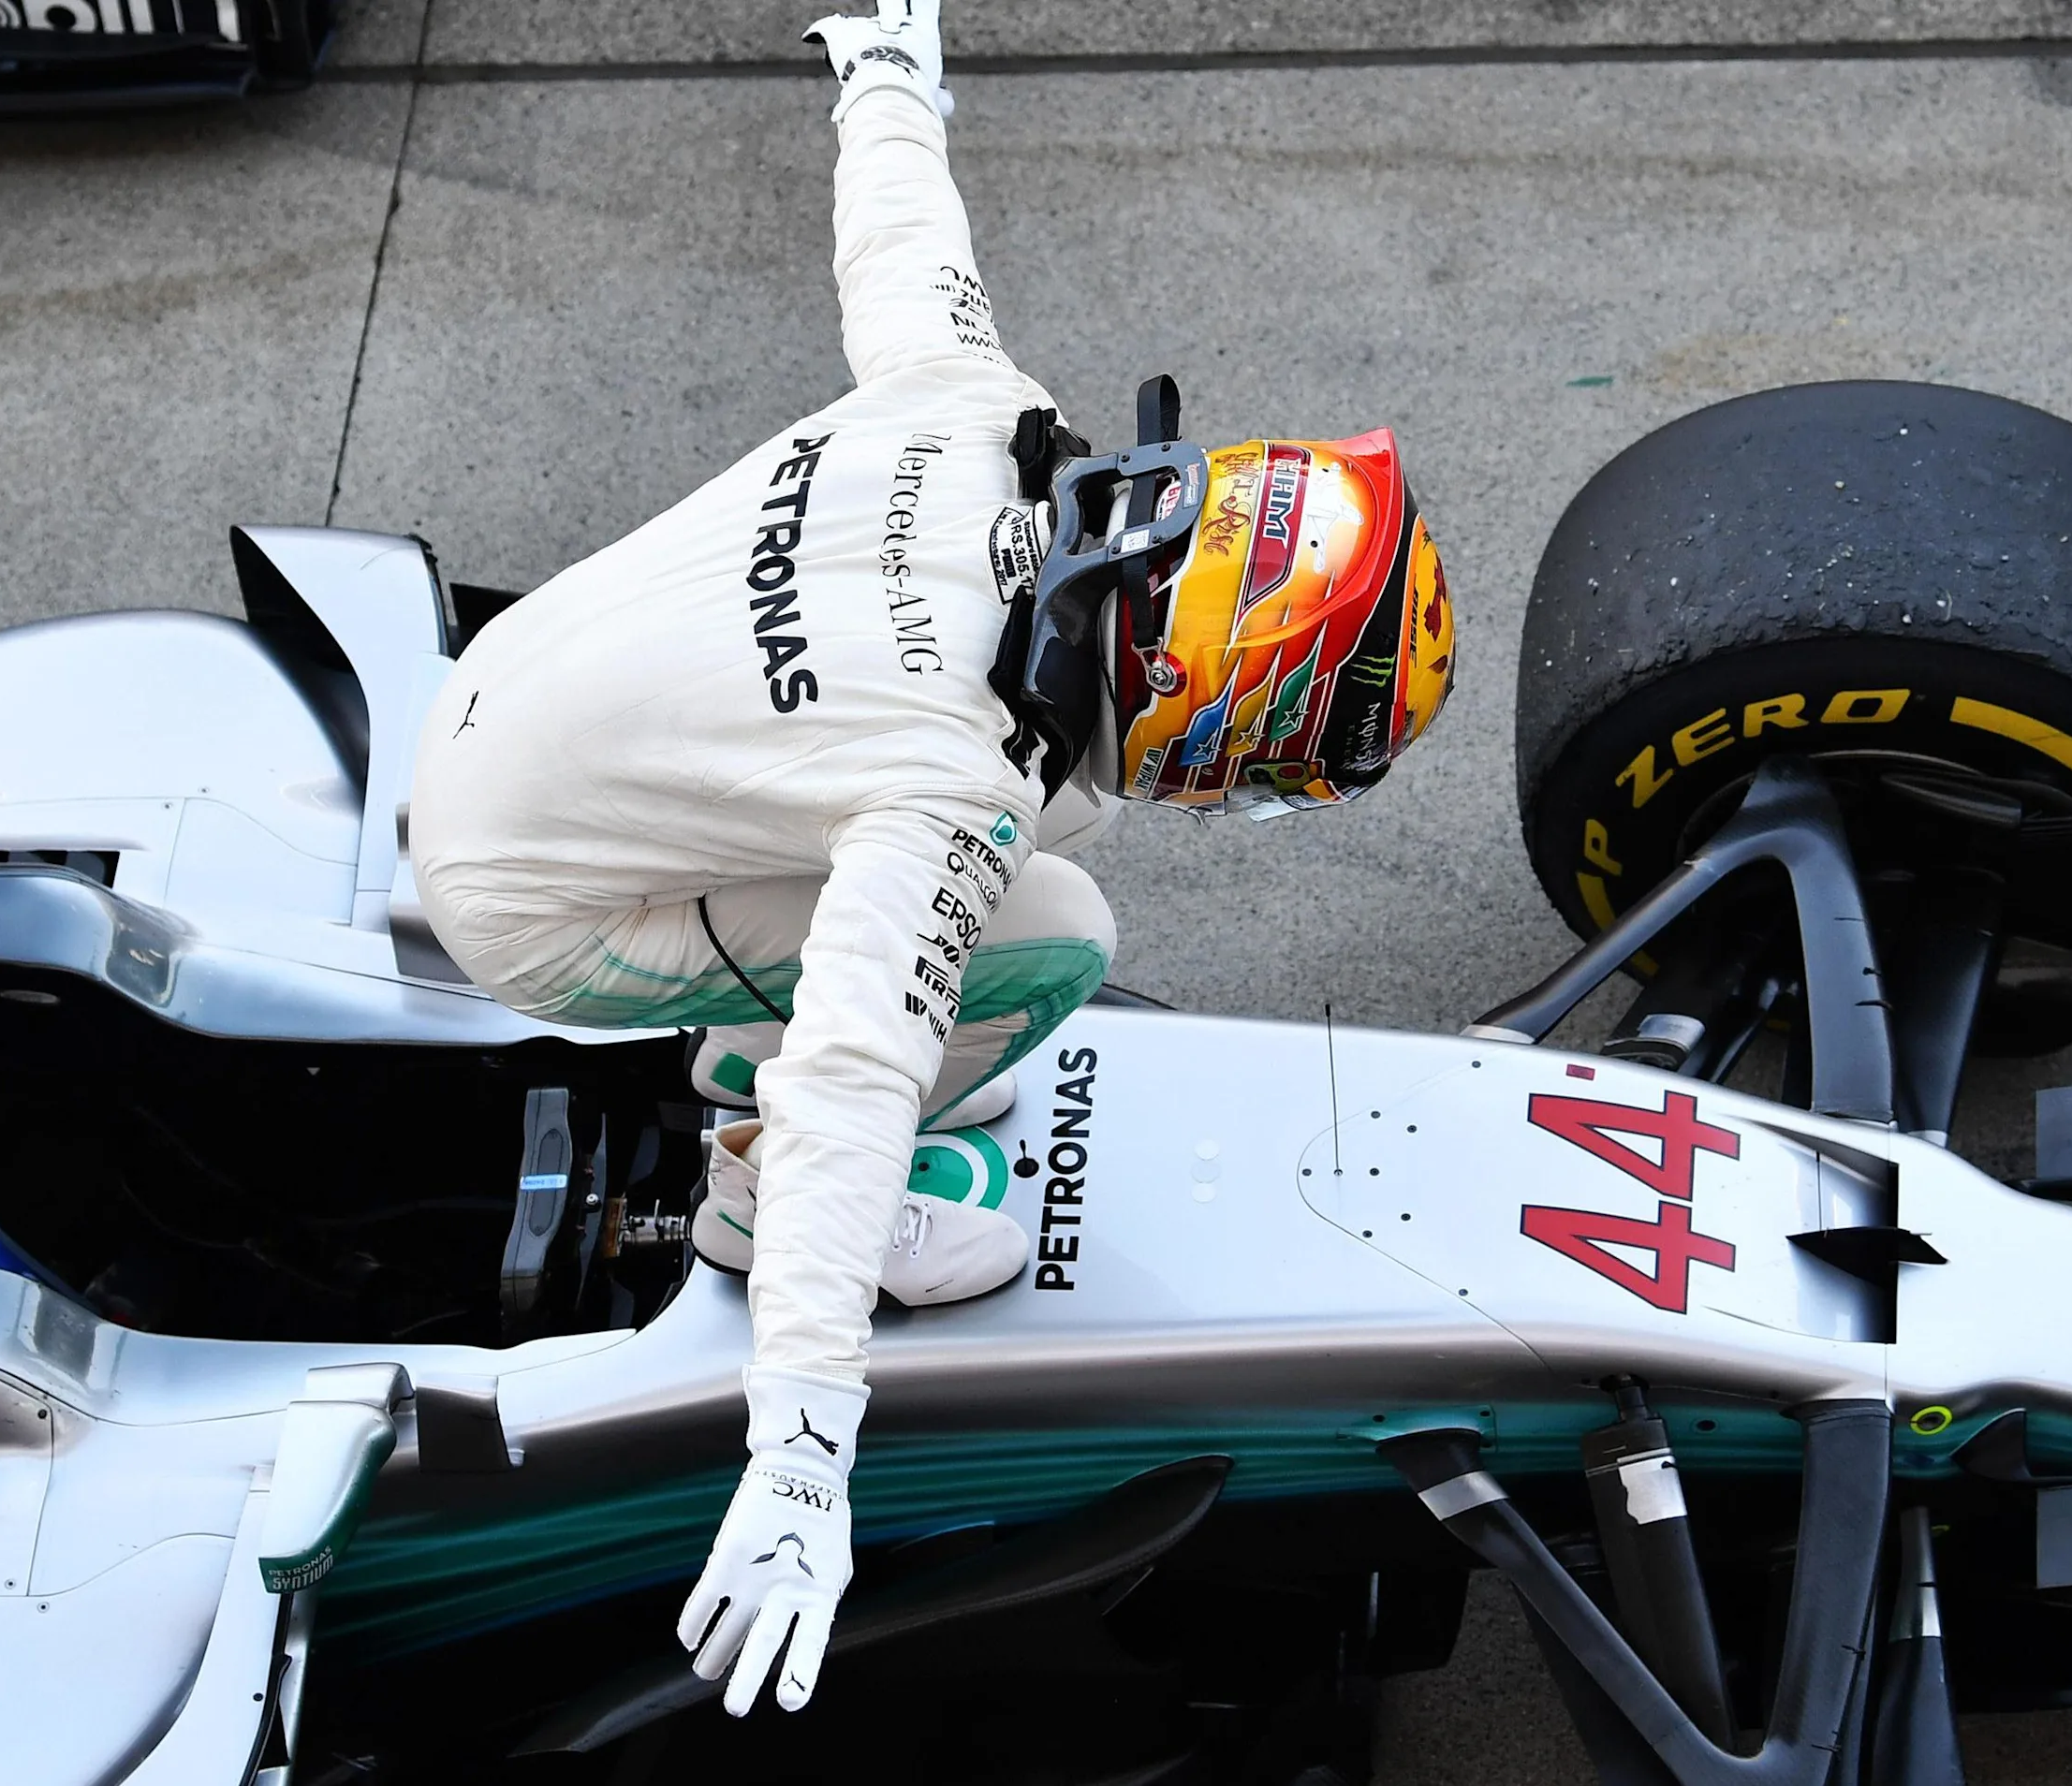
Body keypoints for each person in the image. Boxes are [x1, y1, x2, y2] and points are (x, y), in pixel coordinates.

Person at [404, 0, 1455, 1720]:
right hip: (533, 899)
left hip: (500, 701)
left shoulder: (986, 409)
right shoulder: (949, 787)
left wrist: (886, 70)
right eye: (1278, 750)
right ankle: (727, 1198)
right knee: (1053, 926)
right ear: (1212, 690)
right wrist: (805, 1457)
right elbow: (852, 1079)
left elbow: (908, 243)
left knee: (1013, 858)